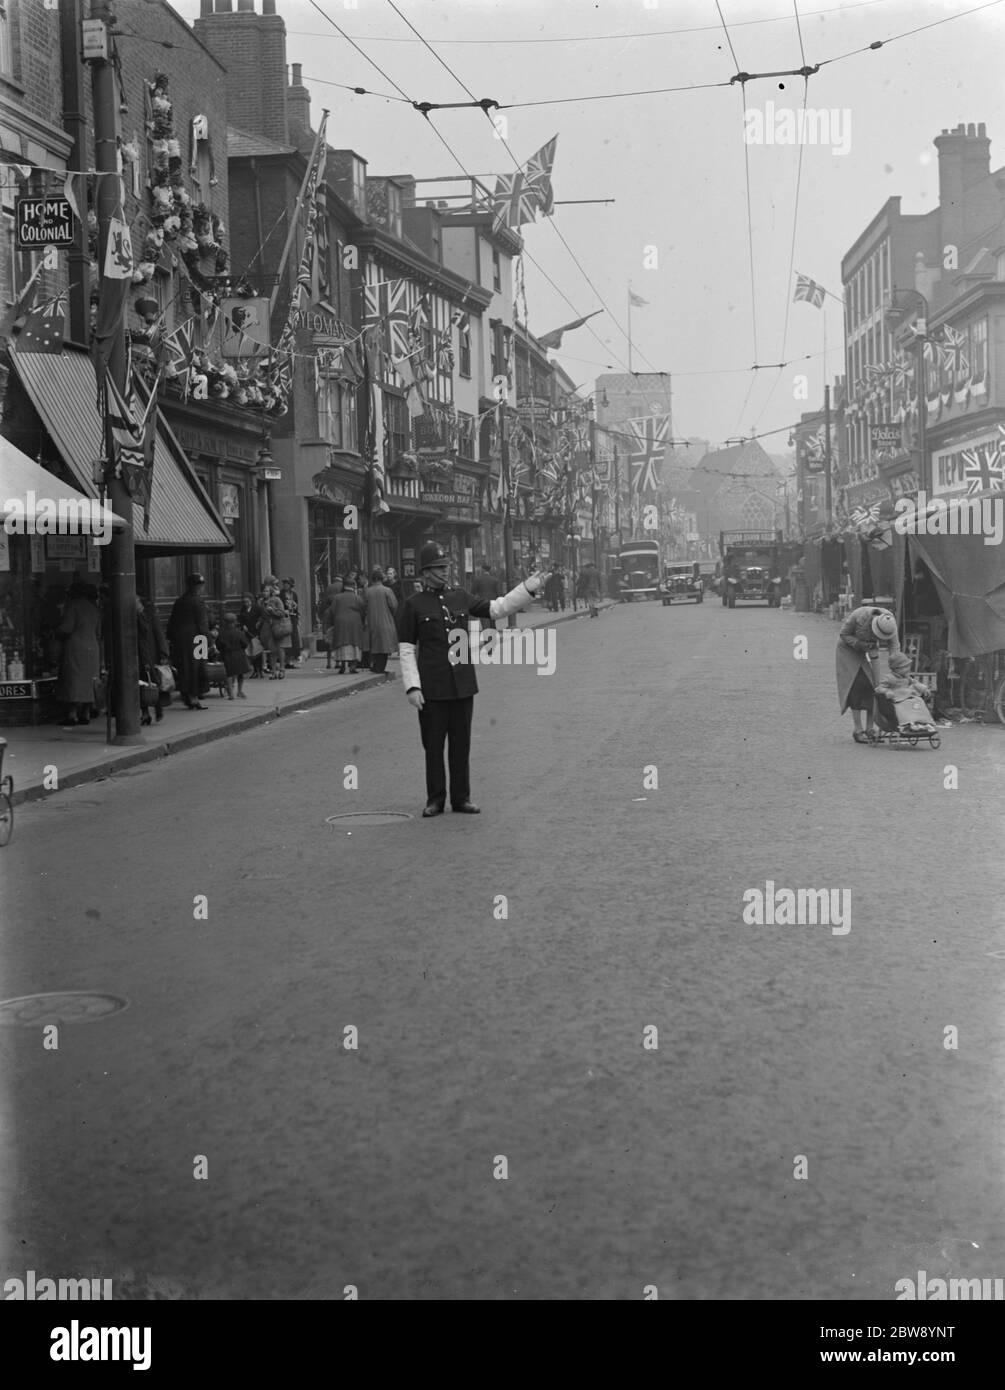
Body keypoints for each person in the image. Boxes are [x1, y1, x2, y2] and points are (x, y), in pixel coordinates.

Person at [396, 540, 543, 817]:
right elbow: (406, 649)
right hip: (432, 687)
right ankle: (435, 799)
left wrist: (527, 589)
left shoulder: (460, 596)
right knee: (434, 745)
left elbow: (496, 608)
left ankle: (461, 798)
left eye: (445, 567)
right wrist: (412, 686)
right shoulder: (413, 605)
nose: (444, 572)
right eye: (438, 568)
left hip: (462, 684)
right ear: (425, 572)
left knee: (461, 745)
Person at [836, 605, 900, 743]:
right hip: (849, 650)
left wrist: (897, 666)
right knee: (857, 685)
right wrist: (859, 644)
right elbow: (844, 634)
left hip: (871, 650)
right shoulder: (857, 616)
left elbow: (894, 646)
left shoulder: (889, 622)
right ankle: (858, 730)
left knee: (874, 687)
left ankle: (870, 728)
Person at [55, 582, 102, 728]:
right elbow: (99, 631)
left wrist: (55, 632)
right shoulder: (93, 608)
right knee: (89, 681)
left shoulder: (73, 606)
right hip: (92, 647)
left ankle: (72, 714)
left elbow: (66, 628)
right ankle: (86, 713)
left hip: (76, 648)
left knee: (73, 680)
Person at [167, 572, 210, 710]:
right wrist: (209, 640)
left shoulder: (179, 601)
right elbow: (202, 623)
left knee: (184, 668)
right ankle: (194, 697)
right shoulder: (198, 601)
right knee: (197, 668)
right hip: (197, 639)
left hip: (181, 640)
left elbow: (172, 621)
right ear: (198, 586)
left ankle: (188, 695)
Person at [136, 594, 169, 723]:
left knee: (151, 682)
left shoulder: (149, 616)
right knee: (142, 684)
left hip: (150, 654)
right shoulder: (135, 615)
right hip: (139, 654)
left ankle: (157, 708)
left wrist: (163, 653)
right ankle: (145, 713)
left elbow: (159, 634)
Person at [329, 576, 365, 674]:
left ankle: (342, 666)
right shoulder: (357, 598)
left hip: (340, 622)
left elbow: (332, 610)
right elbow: (363, 610)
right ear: (353, 586)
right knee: (354, 643)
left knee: (342, 643)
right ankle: (353, 667)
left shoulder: (337, 597)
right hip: (354, 622)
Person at [364, 567, 397, 674]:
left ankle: (375, 665)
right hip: (385, 620)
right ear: (381, 579)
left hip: (371, 621)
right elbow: (394, 605)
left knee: (375, 645)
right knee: (384, 646)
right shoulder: (387, 590)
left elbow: (363, 606)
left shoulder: (367, 591)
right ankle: (380, 667)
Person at [258, 580, 290, 679]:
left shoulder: (276, 600)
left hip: (278, 626)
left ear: (271, 592)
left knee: (280, 649)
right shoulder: (261, 602)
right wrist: (259, 621)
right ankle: (273, 670)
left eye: (267, 591)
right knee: (272, 650)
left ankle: (282, 669)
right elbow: (262, 615)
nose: (264, 593)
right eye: (263, 591)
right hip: (268, 627)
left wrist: (273, 611)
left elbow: (282, 613)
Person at [217, 612, 251, 699]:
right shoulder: (239, 632)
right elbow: (245, 643)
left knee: (229, 674)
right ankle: (239, 691)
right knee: (240, 674)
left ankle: (231, 693)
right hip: (240, 654)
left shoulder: (222, 634)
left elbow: (218, 645)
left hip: (227, 655)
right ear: (235, 621)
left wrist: (223, 651)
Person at [279, 578, 302, 667]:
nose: (285, 585)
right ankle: (286, 660)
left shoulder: (294, 595)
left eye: (287, 583)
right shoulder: (281, 595)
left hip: (293, 618)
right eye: (284, 583)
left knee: (294, 639)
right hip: (285, 618)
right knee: (286, 639)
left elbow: (296, 606)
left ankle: (291, 659)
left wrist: (297, 616)